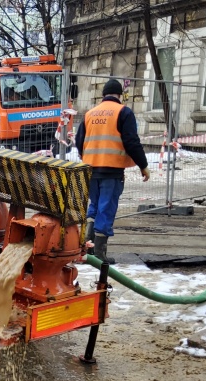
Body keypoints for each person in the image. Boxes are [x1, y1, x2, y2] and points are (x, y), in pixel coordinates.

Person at [75, 78, 150, 264]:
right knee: (106, 209)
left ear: (104, 95)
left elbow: (79, 141)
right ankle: (99, 254)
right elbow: (131, 141)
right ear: (120, 95)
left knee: (94, 206)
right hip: (112, 170)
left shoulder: (90, 114)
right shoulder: (123, 112)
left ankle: (86, 246)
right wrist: (143, 165)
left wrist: (88, 158)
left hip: (91, 169)